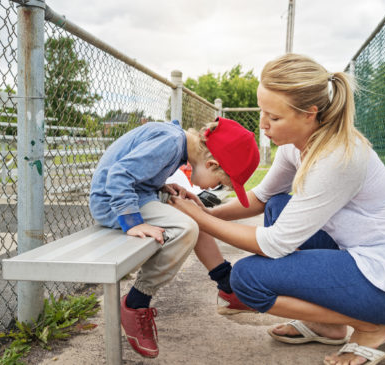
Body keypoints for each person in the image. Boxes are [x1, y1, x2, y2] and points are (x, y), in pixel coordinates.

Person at [169, 54, 385, 365]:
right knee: (280, 204)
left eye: (275, 118)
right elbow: (262, 198)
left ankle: (372, 326)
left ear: (310, 113)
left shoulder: (336, 158)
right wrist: (207, 212)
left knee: (247, 278)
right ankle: (328, 325)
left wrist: (200, 220)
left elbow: (274, 244)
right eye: (262, 112)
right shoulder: (295, 145)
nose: (263, 125)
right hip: (363, 261)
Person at [89, 117, 259, 358]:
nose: (213, 189)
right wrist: (133, 223)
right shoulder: (170, 142)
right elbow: (118, 175)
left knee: (193, 212)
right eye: (220, 184)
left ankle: (227, 287)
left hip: (136, 195)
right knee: (185, 227)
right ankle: (136, 302)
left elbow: (138, 172)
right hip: (113, 205)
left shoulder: (175, 140)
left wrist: (161, 186)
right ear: (211, 164)